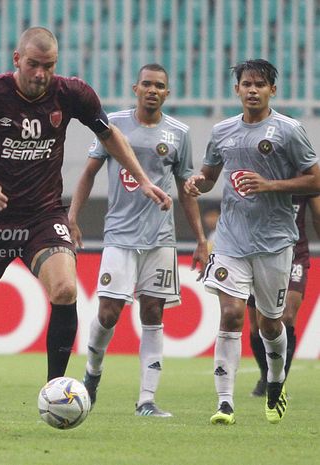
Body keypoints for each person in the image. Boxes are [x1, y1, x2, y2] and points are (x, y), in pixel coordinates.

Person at [0, 27, 172, 410]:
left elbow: (109, 134)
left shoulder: (71, 93)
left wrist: (144, 180)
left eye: (48, 66)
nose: (40, 74)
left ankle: (56, 395)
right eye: (33, 65)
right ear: (17, 59)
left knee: (65, 290)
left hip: (42, 215)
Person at [185, 59, 320, 425]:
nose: (252, 90)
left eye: (260, 84)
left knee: (271, 325)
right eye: (247, 83)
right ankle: (225, 403)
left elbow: (316, 180)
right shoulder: (222, 131)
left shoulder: (290, 131)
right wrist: (198, 183)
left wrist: (271, 185)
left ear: (272, 90)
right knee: (230, 314)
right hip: (231, 240)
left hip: (276, 242)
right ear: (237, 89)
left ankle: (276, 382)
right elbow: (211, 176)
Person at [68, 64, 208, 417]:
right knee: (109, 312)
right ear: (135, 88)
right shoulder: (112, 125)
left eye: (159, 85)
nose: (152, 90)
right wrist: (72, 216)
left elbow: (186, 190)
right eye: (146, 84)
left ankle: (146, 400)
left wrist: (202, 240)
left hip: (161, 239)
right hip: (119, 235)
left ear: (167, 93)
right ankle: (92, 373)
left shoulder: (179, 133)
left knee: (153, 312)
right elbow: (88, 173)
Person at [248, 194, 320, 396]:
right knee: (256, 325)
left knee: (287, 315)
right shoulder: (260, 168)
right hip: (259, 252)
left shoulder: (305, 173)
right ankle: (266, 375)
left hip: (295, 253)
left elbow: (318, 215)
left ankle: (278, 382)